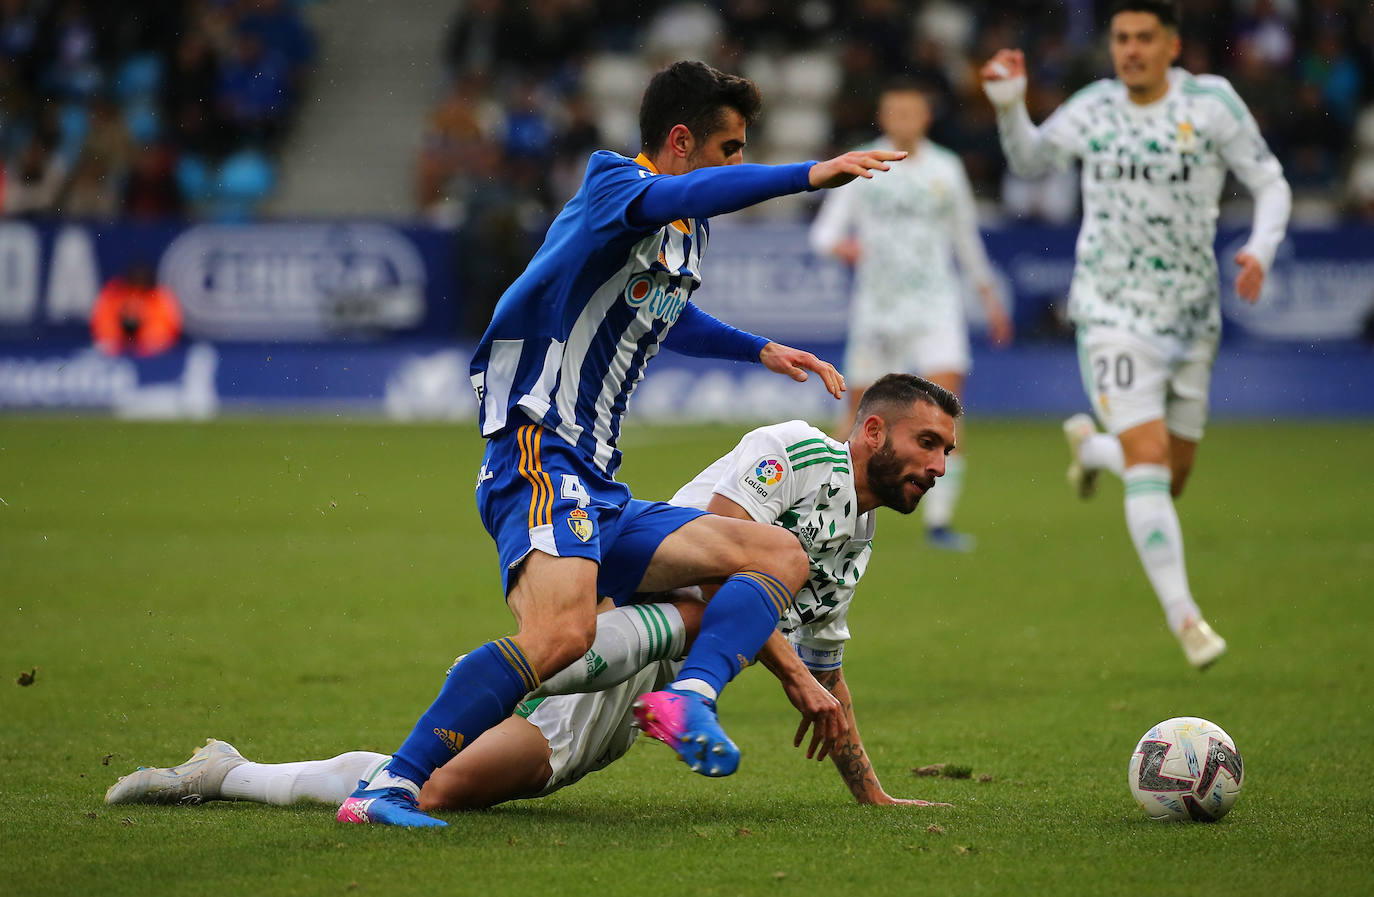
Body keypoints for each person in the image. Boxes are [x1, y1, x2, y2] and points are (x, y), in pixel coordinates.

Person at [339, 60, 906, 826]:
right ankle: (389, 785)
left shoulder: (681, 231)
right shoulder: (613, 185)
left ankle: (687, 696)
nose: (736, 162)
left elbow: (660, 310)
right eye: (730, 147)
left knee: (777, 554)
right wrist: (809, 174)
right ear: (680, 141)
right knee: (561, 633)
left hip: (599, 482)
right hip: (539, 453)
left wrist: (758, 349)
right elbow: (694, 191)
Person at [106, 375, 961, 812]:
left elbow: (827, 676)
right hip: (638, 615)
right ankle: (538, 666)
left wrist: (870, 790)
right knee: (716, 599)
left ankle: (227, 772)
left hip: (626, 700)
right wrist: (790, 678)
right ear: (873, 428)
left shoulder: (857, 538)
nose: (938, 464)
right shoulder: (796, 452)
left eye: (948, 454)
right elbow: (724, 568)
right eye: (928, 442)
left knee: (438, 790)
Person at [980, 0, 1291, 668]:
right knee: (1148, 463)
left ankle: (1093, 452)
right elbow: (1031, 163)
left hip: (1191, 316)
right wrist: (1010, 106)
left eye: (1145, 37)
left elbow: (1271, 182)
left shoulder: (1212, 104)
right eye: (1121, 37)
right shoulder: (1094, 107)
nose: (1131, 49)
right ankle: (1188, 620)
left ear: (1172, 44)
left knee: (1167, 479)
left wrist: (1262, 247)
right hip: (1111, 311)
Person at [810, 81, 1012, 553]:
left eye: (911, 110)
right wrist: (843, 246)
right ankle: (817, 509)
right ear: (885, 116)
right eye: (894, 110)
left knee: (946, 411)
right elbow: (822, 234)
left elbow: (965, 235)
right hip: (878, 310)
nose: (902, 118)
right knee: (858, 420)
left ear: (925, 117)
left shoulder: (946, 168)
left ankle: (939, 525)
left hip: (936, 305)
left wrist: (988, 296)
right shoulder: (863, 163)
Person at [90, 263, 184, 357]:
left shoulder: (160, 297)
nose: (138, 285)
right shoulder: (115, 294)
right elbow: (102, 326)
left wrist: (143, 329)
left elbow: (167, 332)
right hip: (117, 353)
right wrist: (119, 332)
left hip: (152, 355)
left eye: (142, 281)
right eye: (135, 281)